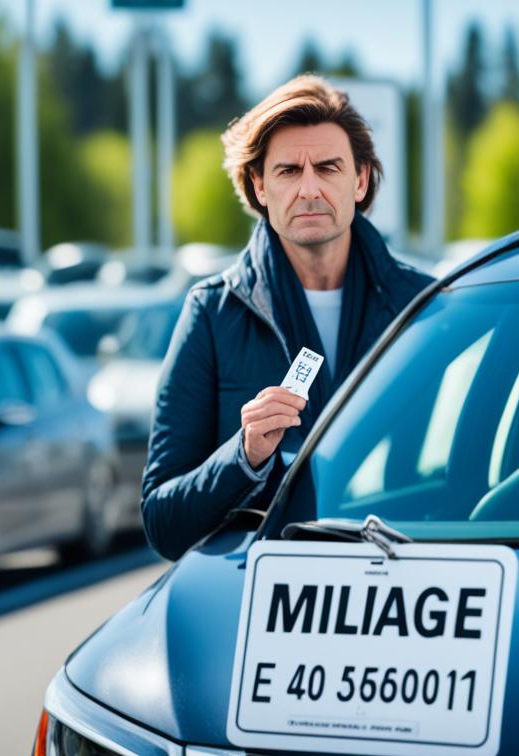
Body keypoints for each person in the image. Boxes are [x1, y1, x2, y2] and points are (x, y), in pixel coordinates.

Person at [141, 75, 433, 560]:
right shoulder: (213, 312)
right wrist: (245, 455)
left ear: (360, 180)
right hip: (268, 604)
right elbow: (162, 523)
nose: (310, 189)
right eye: (288, 171)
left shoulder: (422, 308)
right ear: (259, 185)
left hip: (402, 589)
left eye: (328, 167)